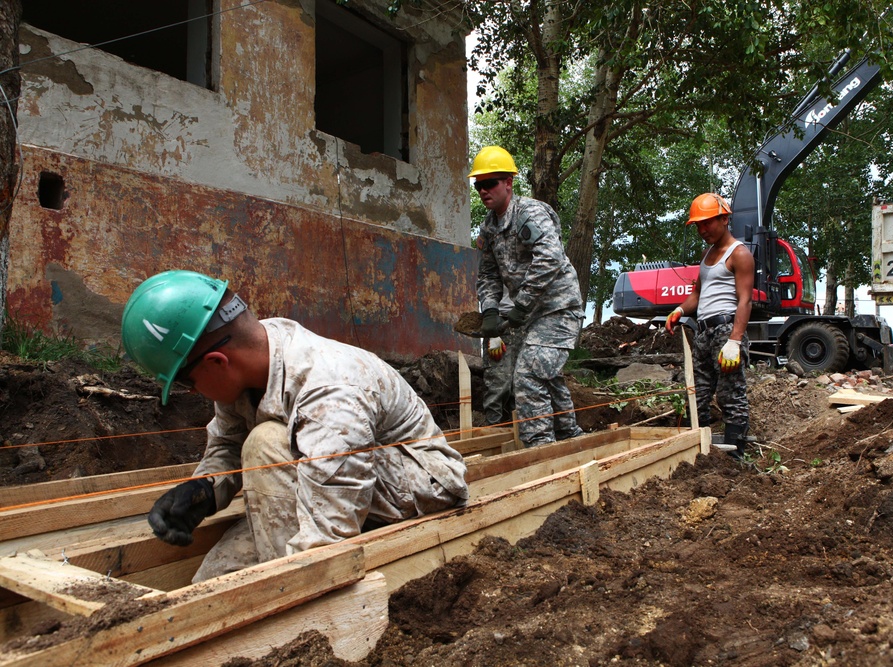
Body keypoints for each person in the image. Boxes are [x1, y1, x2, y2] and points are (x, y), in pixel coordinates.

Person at [121, 270, 469, 581]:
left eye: (187, 383)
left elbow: (330, 530)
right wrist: (204, 490)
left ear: (217, 361)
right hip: (327, 474)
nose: (193, 392)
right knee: (213, 581)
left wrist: (292, 587)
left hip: (418, 479)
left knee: (266, 443)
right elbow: (228, 444)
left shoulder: (330, 390)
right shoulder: (249, 361)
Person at [471, 145, 584, 447]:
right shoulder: (489, 228)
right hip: (530, 316)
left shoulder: (530, 213)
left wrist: (520, 306)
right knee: (548, 375)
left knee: (528, 375)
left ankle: (540, 450)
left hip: (558, 309)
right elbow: (488, 275)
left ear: (508, 183)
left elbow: (550, 259)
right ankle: (570, 439)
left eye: (490, 182)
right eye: (478, 184)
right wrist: (491, 310)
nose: (484, 190)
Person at [665, 193, 754, 457]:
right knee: (697, 396)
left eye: (708, 223)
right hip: (703, 333)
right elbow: (697, 295)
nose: (702, 230)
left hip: (726, 331)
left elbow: (745, 300)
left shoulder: (739, 254)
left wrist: (735, 341)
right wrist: (680, 310)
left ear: (724, 219)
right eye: (698, 225)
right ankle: (701, 454)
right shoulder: (707, 255)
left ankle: (736, 455)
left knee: (730, 394)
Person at [482, 293, 522, 426]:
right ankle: (493, 435)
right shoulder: (494, 272)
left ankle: (520, 434)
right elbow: (487, 288)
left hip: (526, 324)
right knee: (498, 385)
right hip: (501, 323)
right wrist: (493, 331)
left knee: (522, 386)